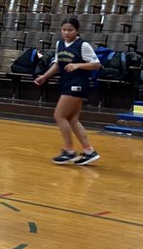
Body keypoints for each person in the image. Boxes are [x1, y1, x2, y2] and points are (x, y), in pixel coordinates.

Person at [33, 16, 102, 165]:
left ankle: (69, 150)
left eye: (70, 30)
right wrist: (44, 76)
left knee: (59, 115)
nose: (66, 32)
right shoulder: (60, 44)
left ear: (77, 30)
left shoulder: (83, 45)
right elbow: (58, 64)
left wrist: (78, 65)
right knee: (72, 120)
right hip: (67, 83)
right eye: (64, 29)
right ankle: (89, 151)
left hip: (78, 84)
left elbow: (97, 64)